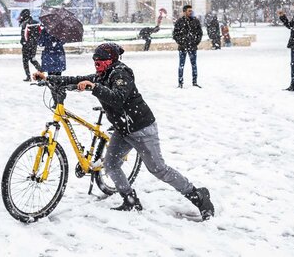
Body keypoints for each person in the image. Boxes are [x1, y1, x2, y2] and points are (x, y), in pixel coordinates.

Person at [32, 43, 215, 220]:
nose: (97, 64)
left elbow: (117, 98)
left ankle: (197, 196)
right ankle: (130, 200)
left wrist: (94, 87)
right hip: (123, 130)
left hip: (141, 128)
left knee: (159, 169)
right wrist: (48, 78)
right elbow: (75, 80)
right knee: (111, 164)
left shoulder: (121, 73)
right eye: (95, 61)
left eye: (101, 61)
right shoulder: (102, 74)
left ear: (111, 60)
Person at [172, 5, 203, 88]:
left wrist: (195, 42)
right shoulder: (179, 22)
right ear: (184, 11)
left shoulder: (195, 21)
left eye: (191, 10)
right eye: (189, 11)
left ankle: (195, 82)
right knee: (181, 65)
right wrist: (181, 42)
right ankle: (180, 83)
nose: (191, 12)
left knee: (194, 65)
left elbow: (200, 33)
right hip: (183, 47)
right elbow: (175, 34)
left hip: (192, 46)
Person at [18, 9, 42, 81]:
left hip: (26, 45)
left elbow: (24, 36)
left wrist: (23, 42)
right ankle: (40, 74)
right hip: (33, 45)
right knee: (32, 59)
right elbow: (38, 34)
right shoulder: (35, 23)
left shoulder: (25, 24)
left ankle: (28, 77)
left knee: (25, 61)